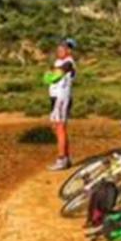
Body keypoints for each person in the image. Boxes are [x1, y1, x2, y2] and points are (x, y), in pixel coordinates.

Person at [46, 38, 77, 171]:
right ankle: (66, 158)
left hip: (61, 98)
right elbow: (49, 76)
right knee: (57, 127)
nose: (59, 50)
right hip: (55, 97)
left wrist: (51, 74)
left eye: (62, 48)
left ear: (69, 50)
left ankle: (62, 158)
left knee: (60, 128)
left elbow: (52, 77)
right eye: (58, 48)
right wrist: (51, 74)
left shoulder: (68, 63)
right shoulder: (59, 62)